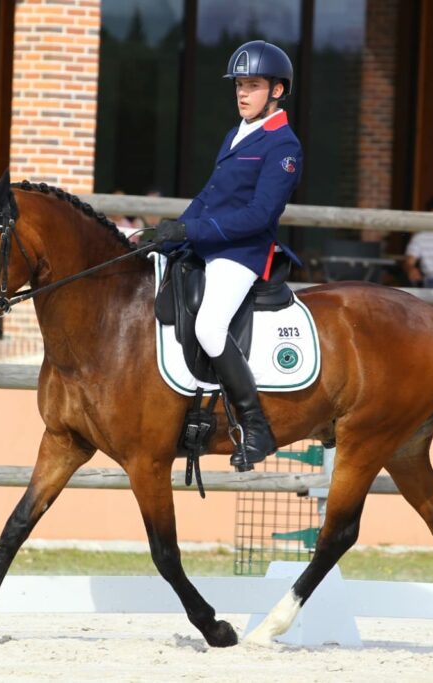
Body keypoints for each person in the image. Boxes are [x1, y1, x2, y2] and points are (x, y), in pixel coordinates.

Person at [153, 40, 303, 469]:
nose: (242, 93)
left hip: (242, 253)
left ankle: (257, 428)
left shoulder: (284, 146)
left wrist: (193, 230)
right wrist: (168, 232)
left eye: (252, 85)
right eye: (239, 85)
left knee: (210, 326)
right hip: (206, 242)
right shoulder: (236, 133)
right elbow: (208, 196)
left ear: (276, 90)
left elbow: (259, 215)